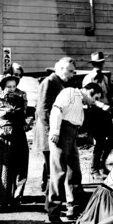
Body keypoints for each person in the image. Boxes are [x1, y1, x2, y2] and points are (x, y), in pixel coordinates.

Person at [47, 79, 103, 224]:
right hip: (62, 131)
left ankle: (73, 207)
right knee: (59, 172)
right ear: (90, 92)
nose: (94, 102)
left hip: (72, 133)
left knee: (74, 172)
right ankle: (54, 212)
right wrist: (55, 131)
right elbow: (56, 109)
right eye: (95, 98)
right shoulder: (70, 92)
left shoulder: (80, 101)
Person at [0, 74, 30, 208]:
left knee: (21, 166)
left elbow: (24, 116)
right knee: (5, 167)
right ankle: (3, 197)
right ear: (3, 87)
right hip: (4, 137)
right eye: (9, 87)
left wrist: (26, 124)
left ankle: (17, 197)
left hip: (19, 136)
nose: (12, 89)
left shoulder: (21, 100)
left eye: (14, 86)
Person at [35, 57, 73, 194]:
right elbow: (42, 110)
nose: (72, 74)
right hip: (49, 133)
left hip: (55, 131)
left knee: (52, 167)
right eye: (70, 71)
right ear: (61, 69)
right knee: (53, 168)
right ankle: (49, 203)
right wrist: (52, 132)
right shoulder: (49, 82)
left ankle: (49, 199)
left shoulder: (60, 83)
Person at [80, 83, 113, 179]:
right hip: (82, 118)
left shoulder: (101, 84)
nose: (96, 100)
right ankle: (94, 169)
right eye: (96, 97)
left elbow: (93, 101)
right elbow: (90, 102)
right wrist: (101, 105)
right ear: (91, 91)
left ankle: (101, 165)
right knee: (100, 139)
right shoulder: (79, 94)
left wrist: (105, 107)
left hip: (92, 114)